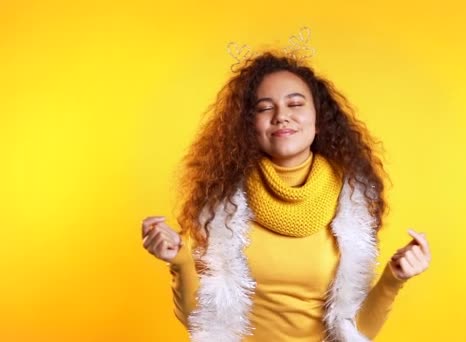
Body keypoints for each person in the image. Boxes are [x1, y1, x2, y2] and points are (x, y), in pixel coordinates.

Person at [141, 49, 431, 342]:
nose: (281, 116)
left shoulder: (352, 201)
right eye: (265, 108)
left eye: (295, 103)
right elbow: (205, 325)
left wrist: (394, 278)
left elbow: (354, 330)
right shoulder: (221, 201)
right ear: (248, 125)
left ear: (318, 120)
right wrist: (178, 260)